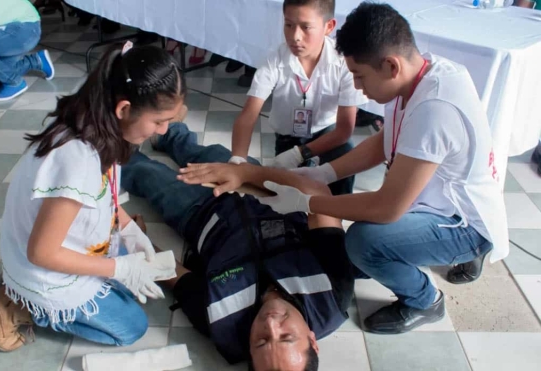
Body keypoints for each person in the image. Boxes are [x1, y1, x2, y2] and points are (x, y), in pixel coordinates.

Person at [178, 2, 509, 335]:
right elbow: (383, 142)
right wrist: (325, 174)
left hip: (464, 223)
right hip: (435, 200)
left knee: (364, 242)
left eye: (360, 76)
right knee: (354, 257)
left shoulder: (435, 110)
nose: (357, 86)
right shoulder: (419, 74)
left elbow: (386, 208)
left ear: (391, 66)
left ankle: (426, 300)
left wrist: (305, 203)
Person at [0, 45, 186, 352]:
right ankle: (18, 303)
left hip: (50, 240)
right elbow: (41, 253)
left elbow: (105, 195)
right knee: (131, 327)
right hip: (40, 263)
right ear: (123, 109)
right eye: (159, 121)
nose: (163, 130)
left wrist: (128, 229)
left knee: (136, 279)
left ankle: (27, 290)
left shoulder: (99, 120)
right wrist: (120, 269)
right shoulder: (77, 161)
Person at [121, 123, 354, 370]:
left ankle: (100, 137)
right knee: (194, 150)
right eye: (287, 337)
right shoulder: (332, 294)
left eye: (262, 341)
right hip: (263, 189)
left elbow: (173, 274)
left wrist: (135, 239)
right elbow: (316, 193)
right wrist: (245, 174)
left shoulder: (221, 322)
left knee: (143, 172)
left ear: (249, 350)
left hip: (199, 215)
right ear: (312, 340)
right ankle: (166, 128)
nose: (272, 324)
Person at [230, 0, 367, 195]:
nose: (295, 36)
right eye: (289, 25)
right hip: (288, 140)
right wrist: (237, 161)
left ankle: (334, 216)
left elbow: (344, 130)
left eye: (306, 27)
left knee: (342, 163)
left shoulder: (343, 62)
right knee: (287, 198)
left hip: (330, 137)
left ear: (329, 26)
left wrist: (300, 154)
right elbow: (248, 116)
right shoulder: (275, 58)